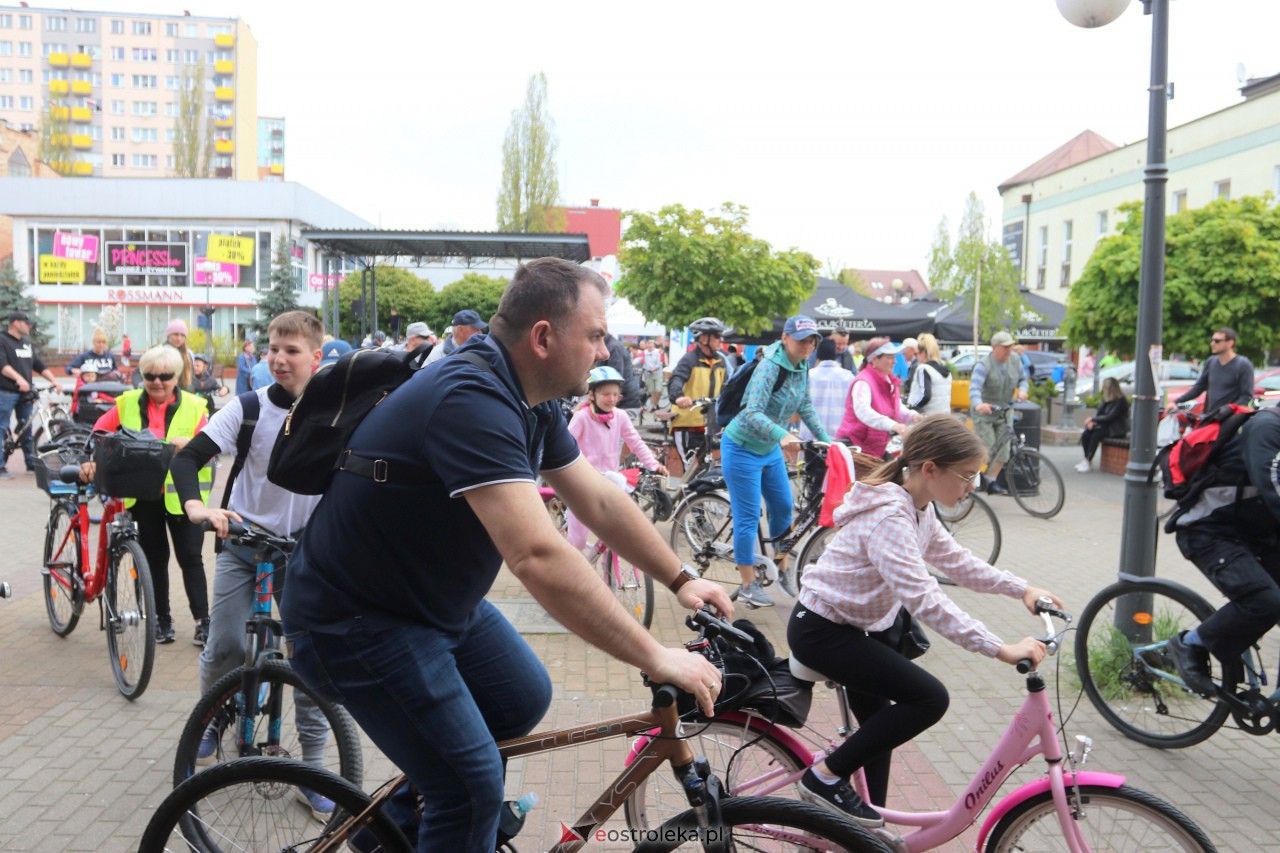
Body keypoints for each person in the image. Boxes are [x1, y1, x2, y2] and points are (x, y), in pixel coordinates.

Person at [280, 257, 732, 851]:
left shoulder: (529, 396)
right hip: (355, 621)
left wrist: (681, 578)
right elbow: (537, 556)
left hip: (430, 604)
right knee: (469, 787)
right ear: (543, 338)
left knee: (519, 699)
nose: (605, 352)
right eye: (596, 335)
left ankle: (389, 835)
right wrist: (654, 654)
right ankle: (438, 818)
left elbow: (597, 498)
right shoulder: (471, 399)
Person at [788, 413, 1062, 825]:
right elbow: (925, 599)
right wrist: (999, 648)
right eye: (967, 476)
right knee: (930, 699)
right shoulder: (889, 519)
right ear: (930, 469)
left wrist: (1020, 588)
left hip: (852, 628)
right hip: (821, 630)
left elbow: (957, 562)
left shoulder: (919, 507)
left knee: (879, 731)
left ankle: (863, 830)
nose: (973, 487)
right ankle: (823, 778)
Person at [171, 312, 336, 819]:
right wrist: (197, 508)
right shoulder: (247, 407)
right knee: (224, 644)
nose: (279, 359)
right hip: (244, 543)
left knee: (312, 660)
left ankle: (313, 767)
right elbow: (186, 459)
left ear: (316, 356)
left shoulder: (336, 411)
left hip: (304, 552)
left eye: (291, 350)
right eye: (272, 349)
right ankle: (211, 719)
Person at [83, 345, 212, 644]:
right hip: (142, 494)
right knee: (154, 559)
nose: (157, 382)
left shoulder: (196, 406)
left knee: (191, 558)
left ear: (177, 377)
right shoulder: (127, 403)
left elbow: (213, 446)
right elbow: (99, 435)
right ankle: (161, 620)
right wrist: (93, 461)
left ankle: (203, 621)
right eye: (150, 376)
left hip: (183, 497)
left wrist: (192, 445)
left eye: (165, 376)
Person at [1165, 406, 1280, 697]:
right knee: (1265, 602)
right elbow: (1273, 488)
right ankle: (1190, 644)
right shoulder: (1267, 429)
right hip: (1209, 531)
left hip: (1254, 532)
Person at [721, 315, 832, 608]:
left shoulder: (803, 365)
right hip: (742, 447)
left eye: (812, 340)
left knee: (783, 508)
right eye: (802, 339)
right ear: (785, 338)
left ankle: (781, 566)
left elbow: (805, 405)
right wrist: (783, 434)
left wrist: (826, 440)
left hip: (769, 447)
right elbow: (751, 412)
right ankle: (748, 584)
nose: (807, 345)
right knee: (748, 517)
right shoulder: (770, 366)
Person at [565, 366, 668, 554]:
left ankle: (607, 570)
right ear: (592, 394)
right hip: (583, 483)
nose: (611, 399)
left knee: (613, 536)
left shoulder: (620, 416)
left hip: (609, 482)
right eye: (606, 394)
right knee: (577, 542)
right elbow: (565, 447)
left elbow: (635, 442)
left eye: (615, 394)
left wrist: (654, 465)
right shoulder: (581, 417)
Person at [0, 310, 64, 479]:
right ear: (16, 323)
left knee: (27, 429)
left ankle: (30, 463)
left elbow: (39, 366)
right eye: (27, 323)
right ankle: (0, 467)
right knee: (1, 427)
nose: (29, 326)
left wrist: (54, 381)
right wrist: (19, 379)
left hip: (25, 394)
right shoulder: (2, 340)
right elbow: (2, 365)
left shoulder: (26, 344)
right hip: (6, 391)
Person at [836, 338, 919, 458]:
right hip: (856, 448)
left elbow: (897, 408)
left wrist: (913, 417)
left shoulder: (890, 381)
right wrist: (893, 425)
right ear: (874, 359)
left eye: (894, 357)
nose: (894, 362)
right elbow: (863, 411)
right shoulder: (863, 382)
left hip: (875, 448)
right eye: (889, 357)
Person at [969, 330, 1029, 496]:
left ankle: (991, 481)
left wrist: (1023, 390)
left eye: (1010, 347)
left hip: (1005, 411)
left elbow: (1023, 379)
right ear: (995, 347)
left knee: (1004, 451)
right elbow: (974, 388)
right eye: (1005, 347)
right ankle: (970, 479)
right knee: (986, 447)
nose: (1009, 350)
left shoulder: (1015, 361)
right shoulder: (984, 365)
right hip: (985, 412)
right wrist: (978, 404)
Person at [667, 317, 730, 464]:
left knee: (709, 466)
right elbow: (676, 380)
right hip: (689, 423)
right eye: (716, 336)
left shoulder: (720, 362)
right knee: (691, 465)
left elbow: (726, 387)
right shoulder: (689, 360)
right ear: (703, 339)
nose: (720, 340)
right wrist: (679, 397)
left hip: (711, 423)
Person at [1169, 327, 1255, 414]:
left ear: (1230, 343)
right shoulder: (1211, 362)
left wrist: (1227, 410)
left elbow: (1246, 397)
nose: (1212, 344)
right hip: (1210, 416)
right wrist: (1175, 402)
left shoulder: (1243, 365)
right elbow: (1198, 388)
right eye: (1212, 340)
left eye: (1217, 341)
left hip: (1229, 418)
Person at [801, 336, 854, 441]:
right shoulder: (849, 377)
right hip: (840, 438)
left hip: (810, 438)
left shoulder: (807, 376)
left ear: (817, 356)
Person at [1075, 377, 1129, 473]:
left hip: (1116, 429)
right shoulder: (1106, 400)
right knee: (1086, 433)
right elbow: (1100, 414)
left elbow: (1110, 417)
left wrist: (1093, 419)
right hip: (1105, 426)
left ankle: (1088, 461)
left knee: (1096, 435)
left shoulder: (1120, 401)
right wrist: (1093, 422)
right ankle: (1087, 459)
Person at [906, 333, 953, 417]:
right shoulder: (946, 370)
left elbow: (925, 396)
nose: (916, 357)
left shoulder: (923, 369)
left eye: (916, 354)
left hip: (928, 418)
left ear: (924, 353)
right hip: (944, 416)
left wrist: (911, 407)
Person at [596, 332, 644, 410]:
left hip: (625, 400)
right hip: (623, 398)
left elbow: (615, 377)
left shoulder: (613, 347)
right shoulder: (611, 345)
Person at [423, 309, 488, 365]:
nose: (480, 333)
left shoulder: (482, 349)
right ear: (460, 329)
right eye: (476, 329)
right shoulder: (437, 355)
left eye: (480, 329)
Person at [164, 319, 196, 391]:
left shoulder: (188, 355)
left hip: (182, 394)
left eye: (182, 335)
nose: (179, 338)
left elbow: (193, 379)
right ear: (168, 335)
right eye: (176, 334)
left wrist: (190, 389)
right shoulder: (158, 352)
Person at [640, 339, 666, 412]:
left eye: (651, 345)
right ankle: (653, 405)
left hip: (658, 373)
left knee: (658, 390)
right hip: (648, 374)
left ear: (654, 345)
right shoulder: (644, 352)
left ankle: (655, 403)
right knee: (651, 391)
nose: (650, 346)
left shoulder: (658, 352)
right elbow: (640, 360)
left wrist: (654, 368)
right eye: (648, 345)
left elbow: (660, 362)